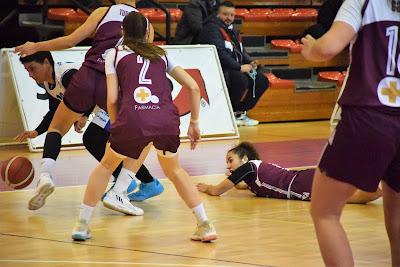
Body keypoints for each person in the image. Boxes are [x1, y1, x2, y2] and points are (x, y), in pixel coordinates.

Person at [71, 11, 217, 242]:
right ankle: (205, 224)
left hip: (134, 118)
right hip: (167, 120)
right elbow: (194, 87)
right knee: (175, 171)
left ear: (122, 31)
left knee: (106, 166)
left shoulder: (114, 53)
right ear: (148, 31)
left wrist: (118, 125)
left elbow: (111, 99)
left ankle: (82, 224)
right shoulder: (162, 54)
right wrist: (195, 123)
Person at [14, 1, 158, 213]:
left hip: (87, 75)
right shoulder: (148, 26)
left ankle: (46, 174)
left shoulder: (103, 12)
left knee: (58, 128)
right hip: (113, 85)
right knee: (129, 141)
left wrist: (35, 46)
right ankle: (122, 187)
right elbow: (140, 63)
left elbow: (71, 41)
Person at [301, 0, 400, 265]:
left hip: (368, 114)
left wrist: (311, 48)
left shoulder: (364, 1)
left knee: (325, 212)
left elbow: (328, 47)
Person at [15, 51, 163, 203]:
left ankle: (132, 182)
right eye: (27, 71)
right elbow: (55, 112)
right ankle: (148, 183)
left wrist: (84, 115)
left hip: (118, 102)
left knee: (95, 138)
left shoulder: (66, 75)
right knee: (95, 140)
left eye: (32, 69)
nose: (30, 75)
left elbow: (90, 90)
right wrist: (36, 131)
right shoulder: (49, 84)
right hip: (104, 106)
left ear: (46, 63)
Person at [197, 142, 382, 204]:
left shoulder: (250, 167)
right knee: (345, 193)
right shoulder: (254, 172)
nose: (228, 166)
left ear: (244, 159)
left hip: (300, 184)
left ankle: (383, 185)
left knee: (342, 198)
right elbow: (242, 185)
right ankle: (382, 186)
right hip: (303, 178)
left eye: (230, 160)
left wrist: (207, 187)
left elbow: (217, 191)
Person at [197, 1, 268, 126]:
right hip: (218, 68)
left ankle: (239, 111)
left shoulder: (232, 30)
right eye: (225, 14)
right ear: (217, 14)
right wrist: (239, 67)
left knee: (261, 80)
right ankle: (228, 113)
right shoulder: (211, 28)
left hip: (234, 67)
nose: (229, 18)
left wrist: (250, 62)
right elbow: (219, 53)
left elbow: (240, 50)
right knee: (240, 79)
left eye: (232, 15)